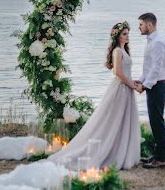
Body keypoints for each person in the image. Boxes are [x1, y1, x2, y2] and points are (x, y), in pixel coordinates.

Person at [49, 21, 141, 170]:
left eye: (128, 33)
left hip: (127, 89)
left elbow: (125, 72)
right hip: (121, 90)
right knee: (113, 121)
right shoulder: (117, 51)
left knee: (123, 121)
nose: (127, 36)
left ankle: (121, 151)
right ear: (117, 36)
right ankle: (108, 152)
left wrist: (133, 81)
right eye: (124, 34)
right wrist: (132, 85)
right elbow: (117, 72)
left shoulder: (124, 50)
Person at [136, 12, 165, 169]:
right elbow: (149, 67)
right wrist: (141, 80)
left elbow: (156, 69)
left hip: (159, 85)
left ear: (149, 25)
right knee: (154, 121)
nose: (139, 28)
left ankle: (161, 158)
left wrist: (145, 86)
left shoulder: (157, 42)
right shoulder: (152, 41)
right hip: (155, 84)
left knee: (157, 122)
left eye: (141, 25)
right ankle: (157, 155)